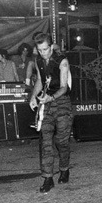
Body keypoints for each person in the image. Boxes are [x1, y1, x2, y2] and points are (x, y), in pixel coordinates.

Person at [29, 33, 72, 193]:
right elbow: (40, 80)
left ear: (51, 46)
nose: (43, 53)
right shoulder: (38, 60)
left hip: (61, 102)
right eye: (40, 50)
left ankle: (64, 168)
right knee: (45, 141)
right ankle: (48, 178)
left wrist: (51, 98)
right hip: (46, 103)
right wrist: (33, 97)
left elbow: (64, 87)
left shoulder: (62, 61)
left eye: (45, 49)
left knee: (61, 141)